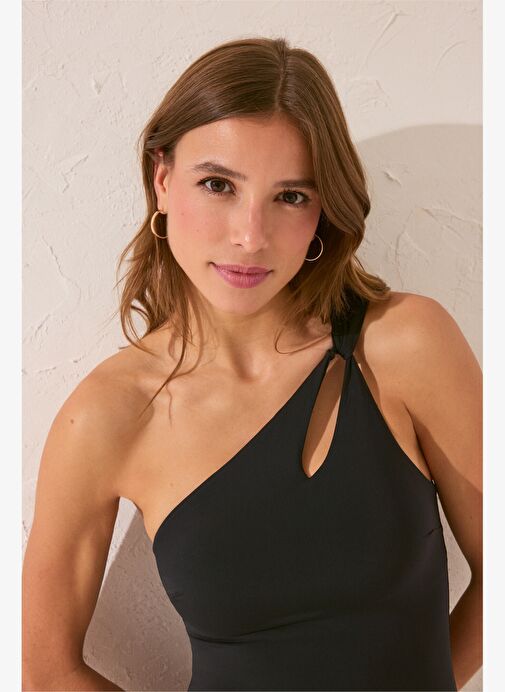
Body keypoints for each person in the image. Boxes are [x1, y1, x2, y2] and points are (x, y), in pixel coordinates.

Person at [22, 37, 482, 692]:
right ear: (161, 179)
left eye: (290, 196)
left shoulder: (405, 345)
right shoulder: (108, 415)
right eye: (218, 185)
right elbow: (46, 671)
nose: (249, 235)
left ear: (323, 208)